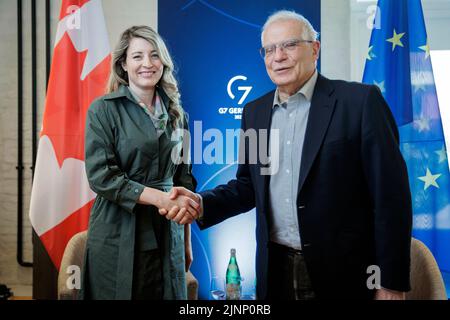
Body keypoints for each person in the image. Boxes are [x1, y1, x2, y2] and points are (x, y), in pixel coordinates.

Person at [161, 10, 413, 300]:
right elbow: (247, 188)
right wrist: (200, 204)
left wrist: (391, 282)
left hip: (346, 274)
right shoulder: (254, 112)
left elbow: (391, 199)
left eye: (289, 45)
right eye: (269, 49)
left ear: (314, 49)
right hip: (275, 270)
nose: (278, 56)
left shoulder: (360, 102)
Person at [79, 26, 199, 300]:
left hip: (169, 230)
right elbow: (102, 176)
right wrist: (159, 198)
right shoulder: (103, 110)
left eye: (154, 55)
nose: (147, 63)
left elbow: (184, 181)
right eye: (137, 56)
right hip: (119, 227)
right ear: (123, 64)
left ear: (163, 62)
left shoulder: (178, 115)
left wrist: (187, 241)